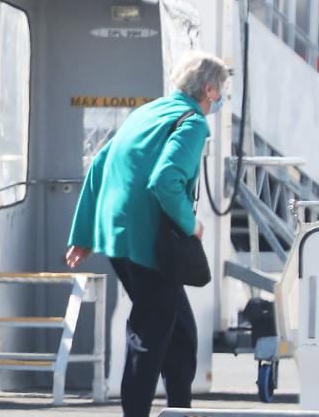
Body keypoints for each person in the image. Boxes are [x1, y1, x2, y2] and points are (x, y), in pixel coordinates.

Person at [64, 51, 228, 417]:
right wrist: (192, 225)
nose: (221, 99)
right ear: (210, 89)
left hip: (118, 235)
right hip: (149, 242)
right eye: (222, 91)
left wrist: (84, 233)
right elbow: (165, 181)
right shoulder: (193, 122)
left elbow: (101, 163)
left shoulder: (148, 111)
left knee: (180, 331)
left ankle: (181, 408)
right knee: (149, 333)